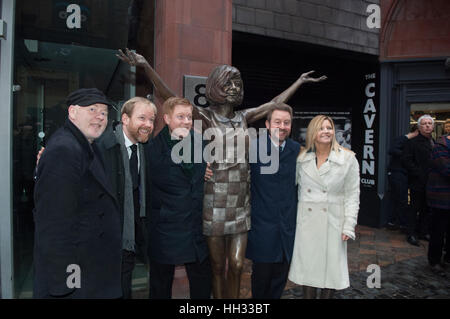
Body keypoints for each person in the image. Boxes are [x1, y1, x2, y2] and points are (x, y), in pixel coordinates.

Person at [117, 48, 327, 298]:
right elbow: (169, 96)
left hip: (240, 205)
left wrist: (299, 82)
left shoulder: (243, 118)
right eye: (227, 83)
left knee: (237, 265)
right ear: (215, 86)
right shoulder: (203, 117)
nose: (233, 88)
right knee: (217, 267)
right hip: (213, 204)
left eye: (237, 83)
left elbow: (273, 104)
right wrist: (146, 66)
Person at [33, 88, 122, 298]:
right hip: (78, 275)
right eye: (92, 109)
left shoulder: (87, 145)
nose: (100, 117)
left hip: (91, 266)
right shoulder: (65, 150)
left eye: (104, 112)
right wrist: (65, 285)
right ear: (73, 112)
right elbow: (54, 225)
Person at [146, 97, 212, 299]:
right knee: (160, 284)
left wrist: (206, 171)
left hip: (195, 228)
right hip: (166, 228)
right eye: (180, 117)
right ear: (166, 118)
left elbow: (204, 172)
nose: (186, 121)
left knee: (202, 283)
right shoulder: (152, 148)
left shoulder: (201, 142)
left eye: (189, 117)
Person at [288, 115, 360, 299]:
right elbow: (289, 185)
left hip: (333, 222)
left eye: (329, 128)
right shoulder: (302, 158)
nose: (326, 131)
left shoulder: (347, 158)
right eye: (321, 128)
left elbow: (353, 195)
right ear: (313, 132)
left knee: (331, 271)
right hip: (307, 223)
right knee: (308, 270)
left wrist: (349, 225)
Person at [96, 96, 156, 298]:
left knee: (124, 285)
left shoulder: (146, 148)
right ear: (125, 119)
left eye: (151, 120)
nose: (148, 125)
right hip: (109, 238)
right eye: (142, 118)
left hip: (134, 231)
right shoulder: (103, 146)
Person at [246, 103, 300, 299]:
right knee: (261, 279)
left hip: (287, 227)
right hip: (262, 228)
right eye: (277, 122)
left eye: (287, 122)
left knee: (280, 279)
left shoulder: (297, 150)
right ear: (268, 124)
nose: (282, 126)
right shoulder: (253, 148)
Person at [402, 114, 435, 246]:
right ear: (419, 127)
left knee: (426, 208)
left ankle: (423, 231)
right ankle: (411, 234)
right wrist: (419, 173)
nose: (427, 125)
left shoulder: (434, 141)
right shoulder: (412, 142)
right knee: (414, 207)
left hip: (432, 182)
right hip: (418, 181)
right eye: (424, 123)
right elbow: (406, 160)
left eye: (429, 123)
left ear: (433, 126)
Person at [426, 133, 450, 275]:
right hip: (441, 197)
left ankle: (447, 258)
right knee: (438, 231)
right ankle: (434, 261)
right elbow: (446, 170)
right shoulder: (440, 147)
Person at [386, 127, 419, 231]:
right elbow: (391, 150)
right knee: (401, 198)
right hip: (397, 172)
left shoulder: (412, 142)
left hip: (402, 173)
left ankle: (394, 221)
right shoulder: (404, 139)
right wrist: (407, 156)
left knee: (398, 198)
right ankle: (400, 223)